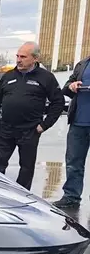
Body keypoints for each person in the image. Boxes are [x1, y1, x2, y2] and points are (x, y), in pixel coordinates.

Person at [0, 42, 64, 191]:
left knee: (26, 168)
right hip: (5, 129)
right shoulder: (8, 76)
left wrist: (44, 125)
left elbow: (58, 102)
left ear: (35, 58)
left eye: (23, 56)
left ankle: (21, 199)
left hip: (29, 130)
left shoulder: (46, 77)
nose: (18, 59)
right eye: (17, 56)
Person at [51, 53, 90, 209]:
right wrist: (71, 86)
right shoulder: (82, 64)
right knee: (73, 162)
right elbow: (66, 88)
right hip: (78, 122)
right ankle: (71, 197)